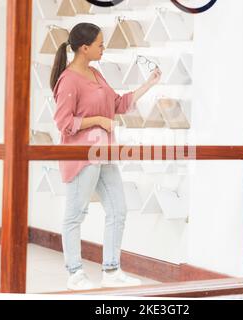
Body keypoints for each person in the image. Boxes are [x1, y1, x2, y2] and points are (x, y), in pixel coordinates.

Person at [50, 22, 162, 290]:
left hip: (104, 154)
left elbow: (119, 104)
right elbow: (63, 122)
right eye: (100, 44)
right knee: (76, 214)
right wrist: (98, 119)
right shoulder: (68, 80)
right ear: (84, 48)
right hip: (82, 156)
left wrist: (150, 83)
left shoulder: (95, 74)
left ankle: (111, 269)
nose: (104, 48)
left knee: (118, 210)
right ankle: (75, 273)